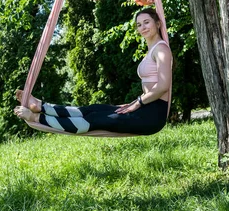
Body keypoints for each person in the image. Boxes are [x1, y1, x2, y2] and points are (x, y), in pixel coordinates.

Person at [14, 8, 172, 135]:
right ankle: (42, 107)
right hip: (145, 107)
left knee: (95, 119)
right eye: (139, 24)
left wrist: (137, 103)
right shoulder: (152, 49)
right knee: (93, 109)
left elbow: (163, 86)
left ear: (158, 23)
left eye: (146, 22)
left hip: (151, 116)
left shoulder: (161, 49)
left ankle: (36, 117)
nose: (142, 27)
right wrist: (136, 104)